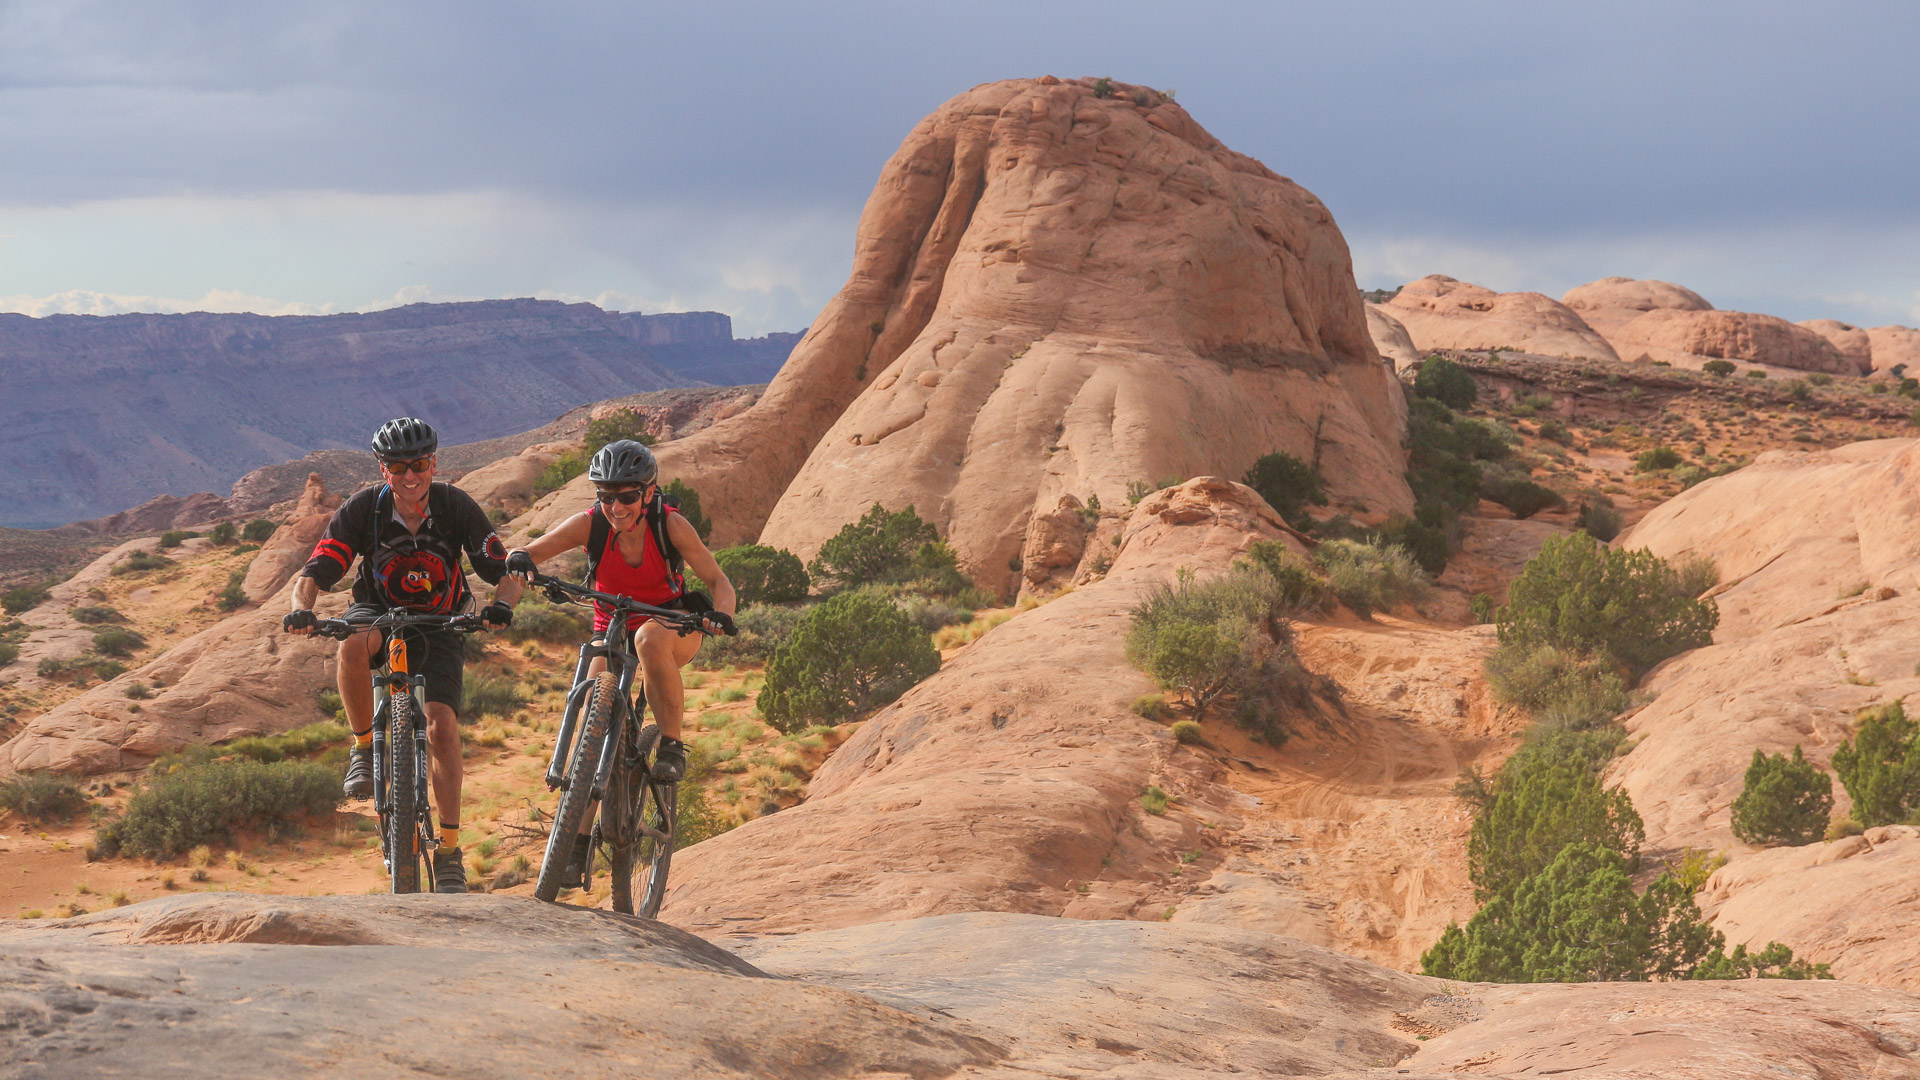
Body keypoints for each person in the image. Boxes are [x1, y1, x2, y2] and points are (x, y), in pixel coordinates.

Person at [282, 417, 514, 893]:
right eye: (397, 467)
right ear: (382, 469)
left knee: (443, 727)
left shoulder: (454, 505)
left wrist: (503, 605)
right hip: (380, 613)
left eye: (420, 464)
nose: (410, 477)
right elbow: (315, 571)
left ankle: (449, 849)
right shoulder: (364, 508)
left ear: (434, 462)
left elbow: (502, 569)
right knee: (350, 639)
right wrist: (301, 610)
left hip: (442, 620)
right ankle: (365, 749)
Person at [496, 439, 735, 886]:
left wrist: (722, 615)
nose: (615, 506)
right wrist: (521, 560)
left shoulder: (671, 525)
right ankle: (578, 842)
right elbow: (532, 550)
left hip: (670, 624)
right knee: (594, 720)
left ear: (648, 492)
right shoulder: (591, 525)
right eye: (606, 496)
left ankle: (670, 746)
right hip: (611, 625)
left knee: (647, 639)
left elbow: (719, 580)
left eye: (626, 496)